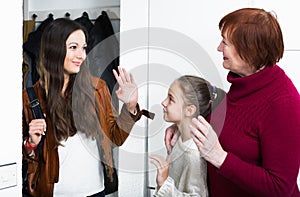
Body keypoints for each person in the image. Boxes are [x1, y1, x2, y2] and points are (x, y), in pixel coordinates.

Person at [165, 8, 300, 197]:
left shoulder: (283, 103)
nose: (219, 48)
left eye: (225, 42)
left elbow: (279, 188)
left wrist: (219, 157)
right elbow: (229, 118)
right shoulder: (243, 81)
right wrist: (185, 124)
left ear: (249, 49)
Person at [22, 18, 153, 197]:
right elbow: (19, 158)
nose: (82, 55)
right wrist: (30, 144)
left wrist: (130, 108)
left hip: (95, 192)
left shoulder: (97, 88)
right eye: (73, 47)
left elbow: (114, 138)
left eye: (84, 48)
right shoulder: (30, 97)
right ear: (54, 49)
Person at [150, 75, 225, 196]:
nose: (163, 103)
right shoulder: (178, 138)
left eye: (171, 99)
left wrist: (164, 184)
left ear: (189, 110)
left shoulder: (192, 153)